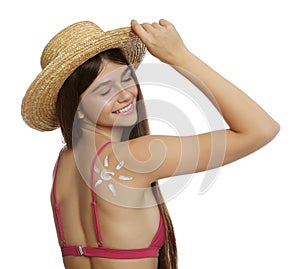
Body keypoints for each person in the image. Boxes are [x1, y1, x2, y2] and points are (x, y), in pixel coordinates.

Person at [21, 19, 280, 269]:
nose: (125, 94)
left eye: (126, 78)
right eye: (104, 91)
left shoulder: (64, 163)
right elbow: (261, 129)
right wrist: (180, 56)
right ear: (77, 108)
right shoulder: (135, 156)